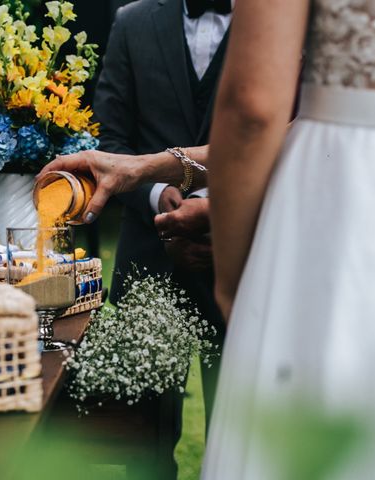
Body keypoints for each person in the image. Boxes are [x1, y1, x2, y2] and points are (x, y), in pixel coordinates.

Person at [42, 0, 375, 477]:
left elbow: (255, 109)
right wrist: (148, 176)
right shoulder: (134, 22)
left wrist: (232, 270)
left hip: (305, 220)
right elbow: (296, 128)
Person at [89, 0, 232, 477]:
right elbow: (110, 137)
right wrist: (156, 192)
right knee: (145, 442)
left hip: (237, 259)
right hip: (149, 262)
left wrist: (216, 205)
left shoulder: (275, 17)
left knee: (239, 433)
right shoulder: (131, 21)